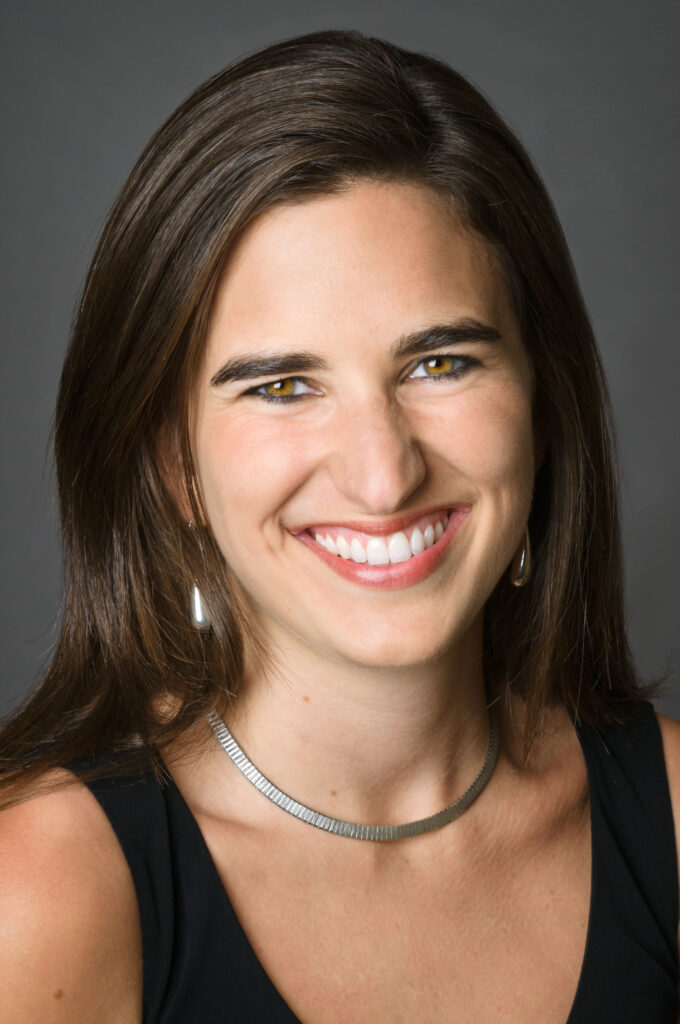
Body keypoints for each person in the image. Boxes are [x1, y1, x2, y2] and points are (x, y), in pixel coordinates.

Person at [0, 28, 678, 1024]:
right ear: (175, 466)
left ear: (541, 406)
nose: (381, 472)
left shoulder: (667, 810)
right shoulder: (39, 893)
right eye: (281, 386)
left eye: (438, 364)